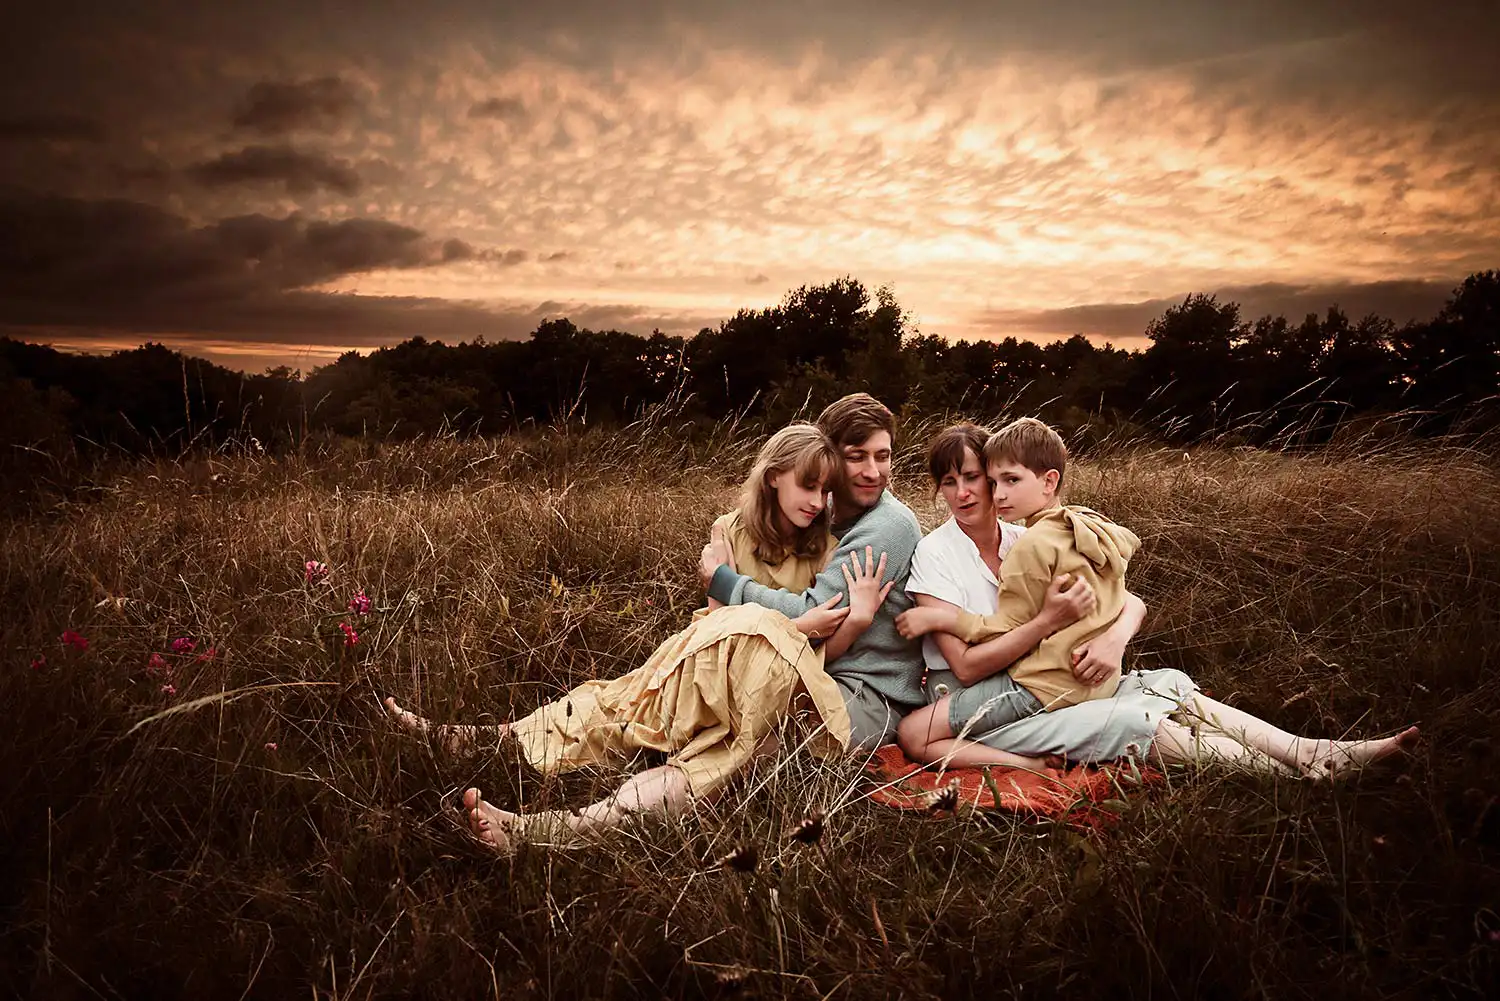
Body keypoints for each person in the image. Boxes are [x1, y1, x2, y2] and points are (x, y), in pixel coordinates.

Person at [388, 421, 894, 848]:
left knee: (707, 766)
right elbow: (719, 620)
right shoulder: (730, 530)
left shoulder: (826, 548)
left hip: (762, 686)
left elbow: (816, 646)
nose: (817, 501)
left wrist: (853, 620)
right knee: (611, 703)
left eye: (825, 491)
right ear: (774, 478)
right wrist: (796, 622)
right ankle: (470, 742)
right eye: (808, 486)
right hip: (706, 665)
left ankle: (535, 831)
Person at [895, 420, 1420, 778]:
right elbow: (964, 669)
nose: (965, 492)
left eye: (978, 479)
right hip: (997, 692)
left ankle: (1311, 751)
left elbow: (1128, 601)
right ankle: (1292, 776)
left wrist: (1112, 642)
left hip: (1041, 678)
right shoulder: (938, 553)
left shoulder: (1024, 536)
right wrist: (1051, 620)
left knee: (1166, 683)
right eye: (950, 482)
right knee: (1131, 719)